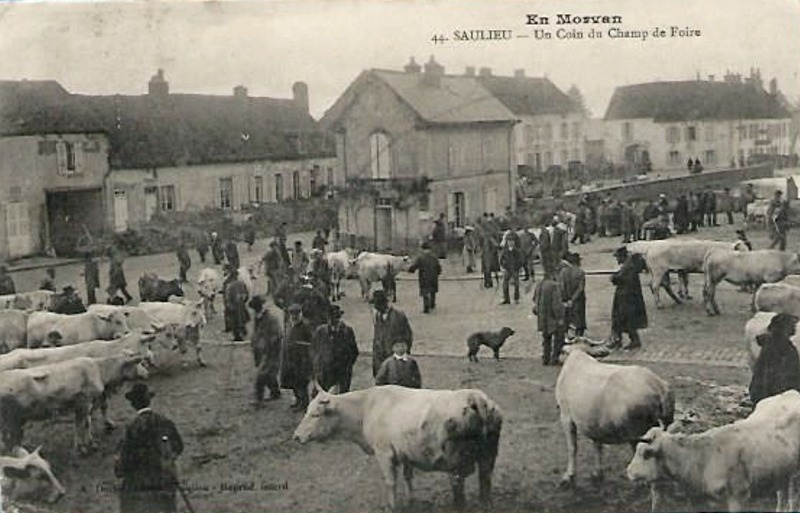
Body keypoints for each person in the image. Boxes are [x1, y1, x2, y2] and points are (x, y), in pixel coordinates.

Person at [115, 383, 183, 513]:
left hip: (140, 484)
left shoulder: (132, 427)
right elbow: (179, 447)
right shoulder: (164, 421)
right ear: (149, 400)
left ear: (133, 404)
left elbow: (125, 459)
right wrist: (167, 460)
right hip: (164, 480)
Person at [749, 313, 800, 406]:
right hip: (776, 397)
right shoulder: (782, 347)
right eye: (792, 325)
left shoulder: (771, 344)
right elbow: (779, 376)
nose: (795, 329)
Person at [311, 304, 359, 392]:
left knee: (342, 397)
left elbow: (354, 351)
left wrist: (347, 366)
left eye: (336, 318)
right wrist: (319, 366)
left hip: (342, 372)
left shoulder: (347, 331)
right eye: (331, 318)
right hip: (325, 372)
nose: (333, 321)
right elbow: (314, 349)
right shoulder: (320, 332)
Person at [608, 246, 648, 350]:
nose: (617, 259)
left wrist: (614, 278)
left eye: (617, 257)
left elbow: (625, 279)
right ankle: (618, 340)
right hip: (625, 296)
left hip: (628, 298)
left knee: (625, 319)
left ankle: (632, 341)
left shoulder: (629, 267)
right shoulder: (628, 265)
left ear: (622, 256)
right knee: (619, 319)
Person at [371, 289, 413, 377]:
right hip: (381, 360)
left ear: (383, 303)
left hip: (395, 360)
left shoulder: (398, 316)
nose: (375, 307)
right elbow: (377, 338)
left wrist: (403, 355)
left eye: (376, 305)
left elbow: (408, 336)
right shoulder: (378, 316)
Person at [281, 303, 314, 411]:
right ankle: (298, 400)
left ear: (300, 314)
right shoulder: (289, 324)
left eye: (296, 314)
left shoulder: (306, 326)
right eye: (292, 314)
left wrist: (301, 346)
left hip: (302, 360)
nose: (294, 317)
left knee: (302, 382)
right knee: (293, 381)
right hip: (289, 358)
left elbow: (311, 342)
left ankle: (304, 403)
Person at [249, 295, 282, 404]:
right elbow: (256, 333)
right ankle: (275, 392)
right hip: (259, 350)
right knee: (269, 373)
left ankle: (258, 398)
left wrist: (268, 344)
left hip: (270, 351)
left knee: (261, 374)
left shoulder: (271, 318)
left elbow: (277, 335)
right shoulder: (257, 318)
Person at [533, 270, 565, 366]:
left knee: (546, 338)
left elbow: (534, 299)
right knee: (558, 337)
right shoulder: (554, 286)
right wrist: (560, 317)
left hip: (542, 316)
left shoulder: (539, 284)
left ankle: (545, 358)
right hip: (552, 317)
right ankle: (554, 358)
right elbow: (556, 304)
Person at [408, 241, 442, 313]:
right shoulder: (434, 257)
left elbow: (415, 266)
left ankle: (426, 307)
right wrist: (438, 273)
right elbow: (438, 267)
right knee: (433, 290)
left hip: (424, 277)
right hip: (433, 277)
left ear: (423, 249)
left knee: (425, 291)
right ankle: (432, 304)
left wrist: (410, 270)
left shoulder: (420, 257)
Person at [559, 252, 586, 337]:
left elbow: (561, 287)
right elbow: (580, 288)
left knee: (567, 318)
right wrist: (573, 299)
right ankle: (579, 336)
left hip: (566, 299)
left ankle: (567, 336)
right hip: (578, 299)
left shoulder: (563, 272)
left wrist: (565, 299)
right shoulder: (580, 272)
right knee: (579, 319)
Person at [224, 268, 250, 341]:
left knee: (235, 323)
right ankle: (243, 330)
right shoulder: (242, 283)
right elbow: (246, 294)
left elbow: (227, 298)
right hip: (241, 306)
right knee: (242, 319)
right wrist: (243, 300)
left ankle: (237, 336)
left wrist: (229, 306)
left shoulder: (230, 286)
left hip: (234, 307)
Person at [499, 235, 523, 305]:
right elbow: (501, 259)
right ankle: (506, 298)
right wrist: (504, 265)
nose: (510, 243)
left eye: (512, 241)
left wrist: (518, 266)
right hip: (507, 269)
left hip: (515, 269)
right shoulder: (505, 251)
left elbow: (520, 260)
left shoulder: (517, 251)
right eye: (509, 241)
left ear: (514, 242)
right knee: (505, 284)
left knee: (516, 284)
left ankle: (516, 298)